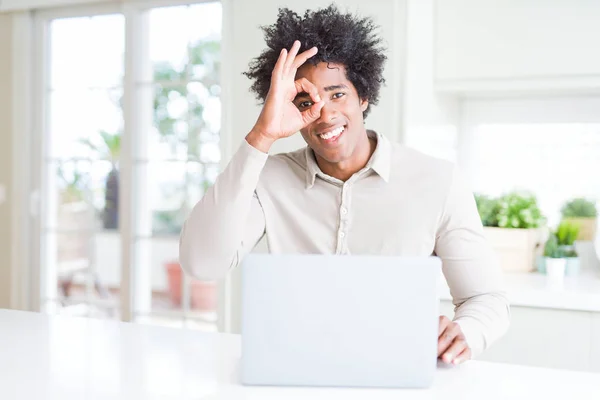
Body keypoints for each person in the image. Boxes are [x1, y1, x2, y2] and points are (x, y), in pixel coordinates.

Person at [179, 4, 509, 365]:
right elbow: (203, 264)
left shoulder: (438, 180)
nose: (325, 114)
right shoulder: (267, 178)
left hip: (398, 369)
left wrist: (467, 333)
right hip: (296, 368)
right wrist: (262, 135)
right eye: (306, 101)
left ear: (363, 96)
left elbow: (485, 298)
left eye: (337, 94)